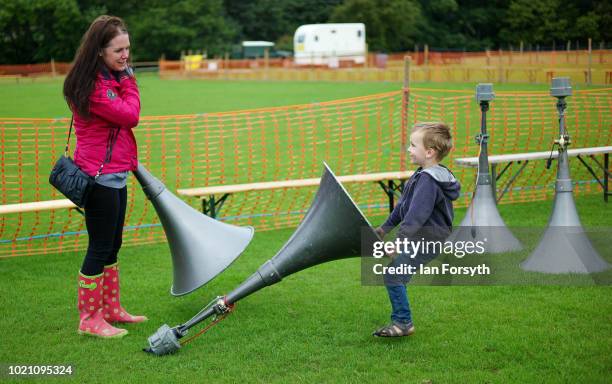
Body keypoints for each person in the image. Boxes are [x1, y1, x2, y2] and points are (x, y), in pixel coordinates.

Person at [63, 15, 146, 339]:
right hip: (99, 177)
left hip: (114, 174)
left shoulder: (106, 78)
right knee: (100, 247)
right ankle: (89, 318)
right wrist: (129, 80)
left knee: (113, 245)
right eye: (118, 50)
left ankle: (111, 309)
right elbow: (131, 115)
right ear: (99, 51)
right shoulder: (97, 87)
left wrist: (122, 77)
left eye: (128, 49)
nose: (125, 56)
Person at [373, 122, 460, 337]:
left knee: (393, 275)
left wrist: (399, 243)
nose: (409, 149)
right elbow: (403, 207)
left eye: (413, 145)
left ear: (429, 152)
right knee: (396, 274)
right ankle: (403, 320)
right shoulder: (422, 174)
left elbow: (415, 217)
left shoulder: (429, 181)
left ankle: (403, 322)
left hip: (430, 239)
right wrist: (384, 229)